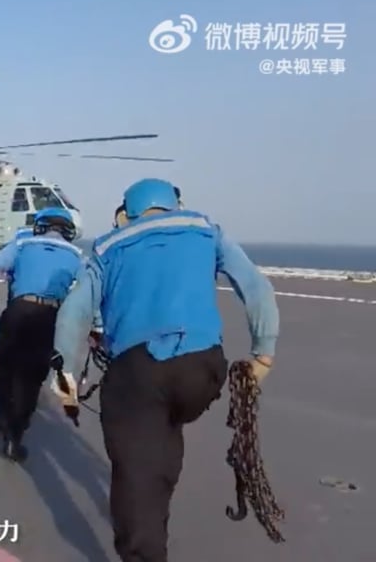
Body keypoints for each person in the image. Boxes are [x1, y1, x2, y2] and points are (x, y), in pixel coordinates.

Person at [51, 177, 279, 562]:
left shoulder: (107, 247)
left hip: (138, 374)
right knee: (163, 435)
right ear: (176, 204)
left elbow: (74, 312)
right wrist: (263, 354)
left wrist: (65, 382)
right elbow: (256, 287)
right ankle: (157, 497)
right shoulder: (205, 229)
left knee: (137, 472)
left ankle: (144, 546)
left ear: (125, 214)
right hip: (202, 369)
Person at [0, 207, 84, 462]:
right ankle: (14, 438)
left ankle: (3, 413)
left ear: (40, 226)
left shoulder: (22, 243)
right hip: (50, 316)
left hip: (18, 309)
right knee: (32, 375)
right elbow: (84, 293)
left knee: (4, 360)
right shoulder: (77, 256)